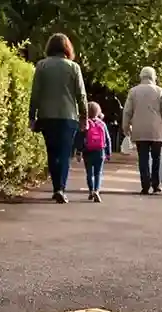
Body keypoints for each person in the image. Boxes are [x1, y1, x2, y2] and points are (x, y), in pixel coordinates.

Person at [28, 33, 88, 203]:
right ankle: (60, 188)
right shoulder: (73, 67)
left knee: (52, 152)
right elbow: (81, 95)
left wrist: (32, 116)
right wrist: (84, 116)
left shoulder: (41, 66)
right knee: (64, 153)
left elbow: (35, 93)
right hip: (68, 117)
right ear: (67, 48)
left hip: (47, 116)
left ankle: (56, 187)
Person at [122, 67, 162, 195]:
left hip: (140, 131)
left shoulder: (133, 92)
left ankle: (145, 185)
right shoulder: (160, 91)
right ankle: (156, 185)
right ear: (153, 77)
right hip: (157, 131)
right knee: (156, 158)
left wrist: (126, 126)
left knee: (143, 159)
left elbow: (127, 111)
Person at [74, 102, 113, 202]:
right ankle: (97, 190)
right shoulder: (102, 124)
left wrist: (78, 151)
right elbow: (108, 139)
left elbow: (79, 138)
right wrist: (108, 152)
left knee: (89, 173)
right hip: (100, 151)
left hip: (88, 151)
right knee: (98, 173)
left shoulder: (84, 124)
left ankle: (91, 191)